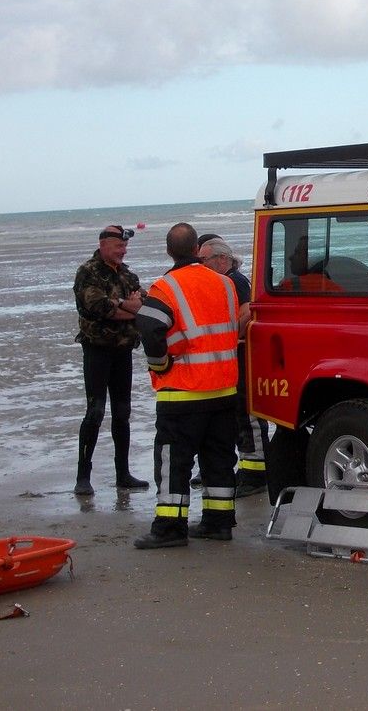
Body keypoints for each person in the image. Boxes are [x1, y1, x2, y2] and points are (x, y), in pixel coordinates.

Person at [133, 223, 240, 549]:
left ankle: (169, 528)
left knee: (173, 461)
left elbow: (149, 326)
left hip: (183, 392)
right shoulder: (225, 284)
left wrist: (160, 364)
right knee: (219, 460)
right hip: (224, 390)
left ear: (169, 251)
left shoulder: (165, 287)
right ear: (197, 250)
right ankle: (218, 523)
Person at [72, 225, 151, 495]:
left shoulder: (128, 274)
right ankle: (83, 476)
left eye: (125, 247)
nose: (123, 251)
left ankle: (123, 474)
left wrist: (120, 304)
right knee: (95, 411)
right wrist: (123, 305)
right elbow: (100, 308)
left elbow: (145, 303)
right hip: (97, 350)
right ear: (104, 244)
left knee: (122, 413)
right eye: (119, 246)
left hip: (123, 351)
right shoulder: (88, 272)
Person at [198, 235, 268, 497]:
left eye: (204, 260)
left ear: (222, 259)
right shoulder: (226, 280)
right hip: (234, 353)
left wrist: (225, 338)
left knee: (247, 412)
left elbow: (247, 311)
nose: (201, 265)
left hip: (241, 353)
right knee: (239, 414)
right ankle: (249, 468)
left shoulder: (235, 280)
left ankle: (256, 473)